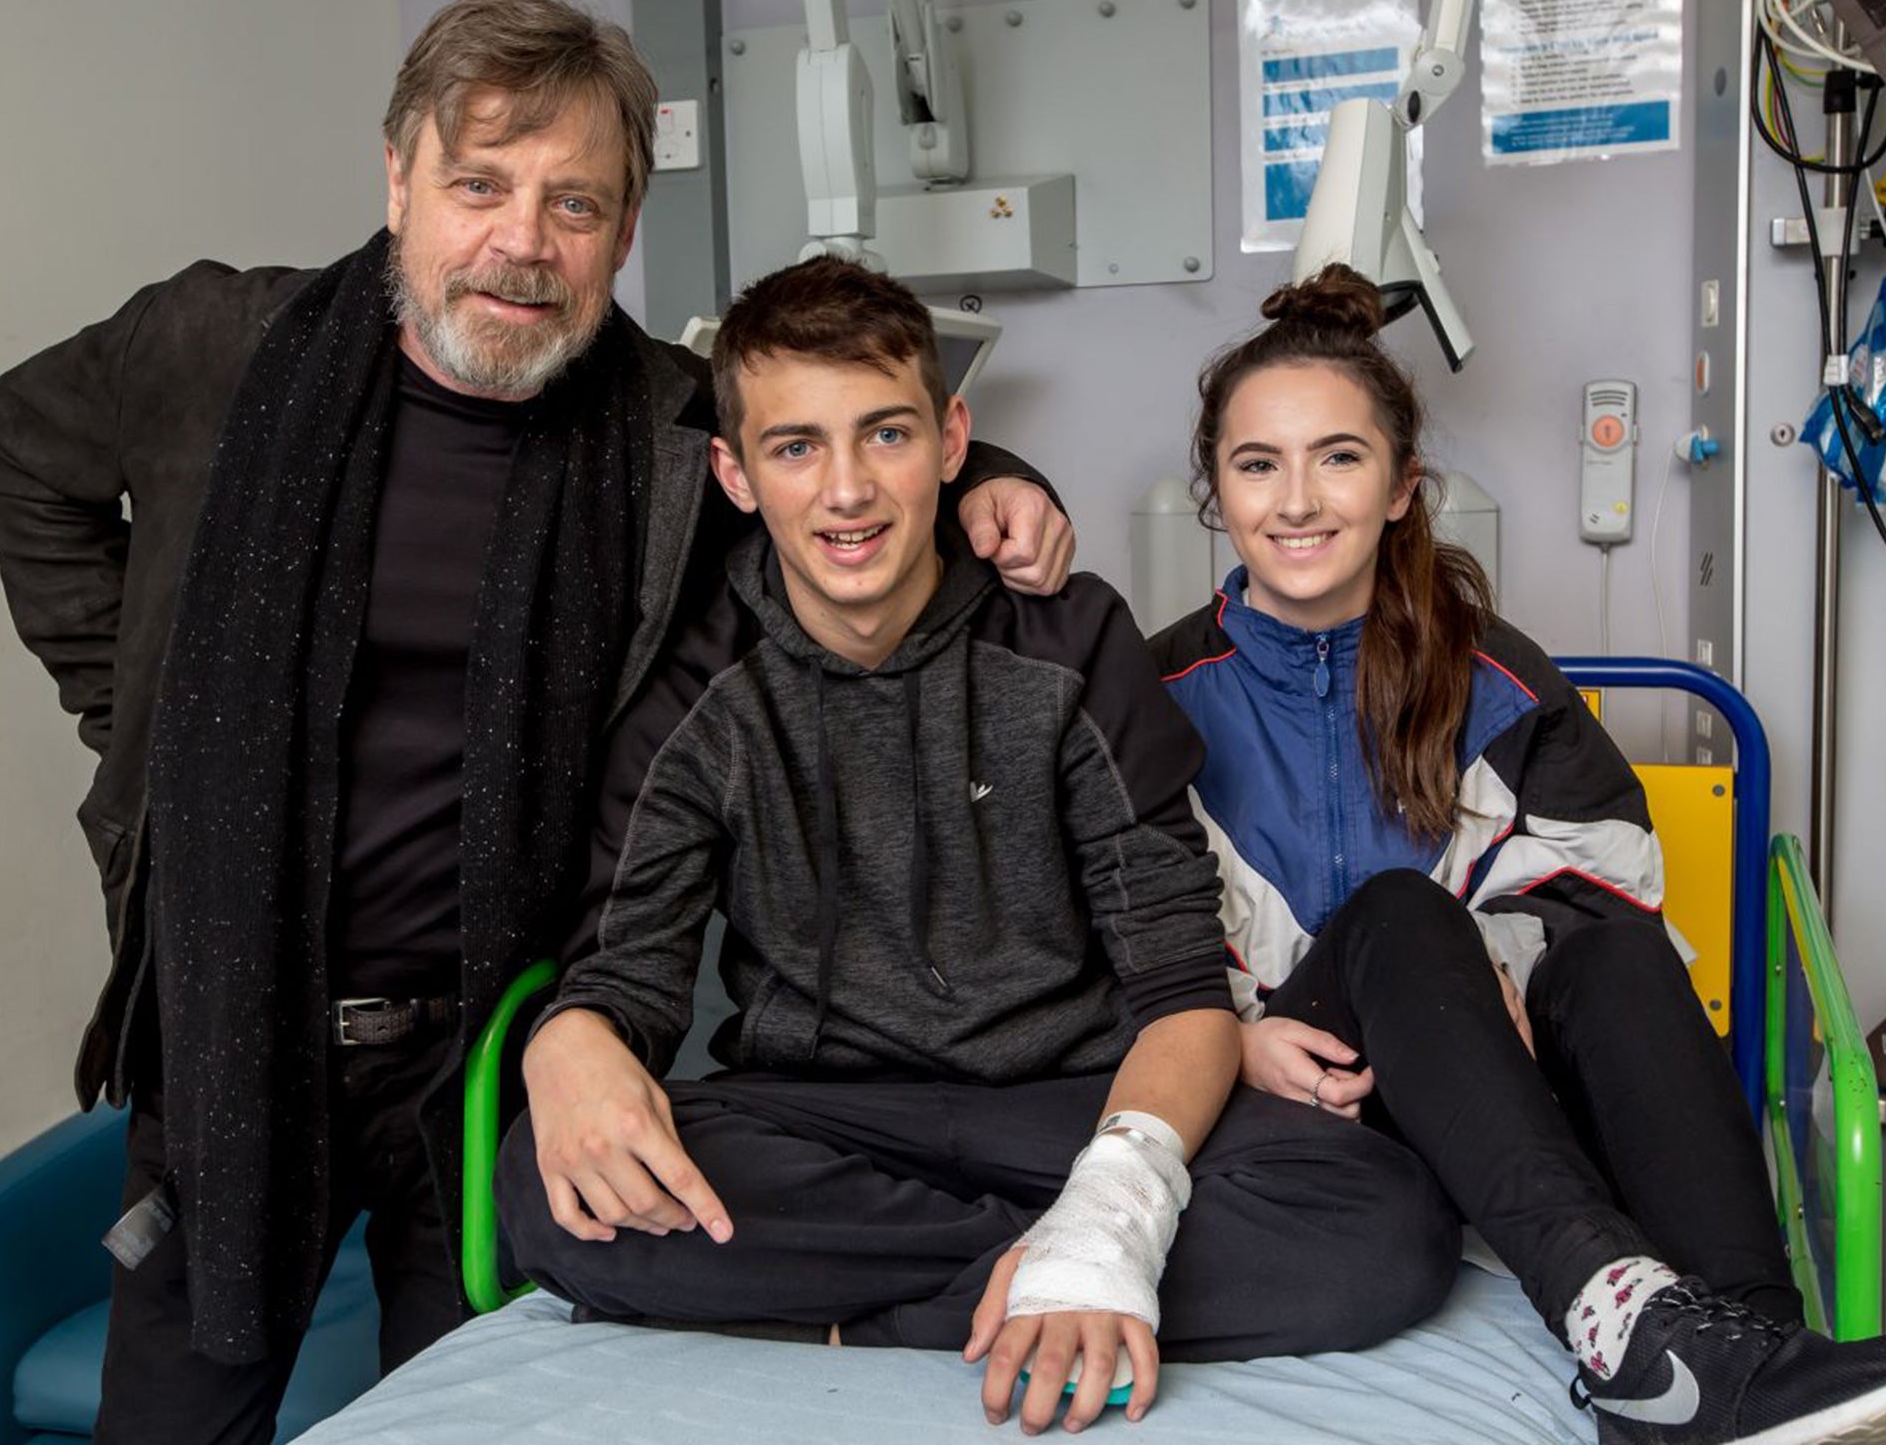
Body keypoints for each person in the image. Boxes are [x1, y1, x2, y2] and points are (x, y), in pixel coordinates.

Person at [0, 0, 1071, 1445]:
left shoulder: (671, 434)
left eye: (575, 204)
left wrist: (1008, 484)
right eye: (480, 184)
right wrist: (139, 713)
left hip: (490, 1052)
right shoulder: (224, 345)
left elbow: (838, 468)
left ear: (622, 237)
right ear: (399, 178)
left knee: (488, 1419)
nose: (521, 242)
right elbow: (10, 443)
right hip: (235, 1016)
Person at [496, 254, 1465, 1434]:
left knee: (1380, 1220)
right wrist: (572, 1039)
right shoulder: (695, 695)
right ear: (734, 473)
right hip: (821, 1114)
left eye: (886, 436)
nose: (847, 491)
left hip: (1071, 1096)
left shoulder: (1069, 640)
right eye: (795, 447)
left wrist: (1110, 1204)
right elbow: (625, 973)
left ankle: (934, 1302)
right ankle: (1030, 1286)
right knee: (547, 1196)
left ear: (953, 439)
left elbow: (1178, 989)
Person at [1149, 263, 1886, 1444]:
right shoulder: (1150, 698)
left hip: (1501, 1085)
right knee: (1392, 910)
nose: (1296, 501)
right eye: (1255, 463)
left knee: (1620, 963)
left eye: (1337, 457)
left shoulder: (1495, 674)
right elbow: (1095, 933)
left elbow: (1609, 878)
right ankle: (1623, 1319)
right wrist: (1227, 1035)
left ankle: (1750, 1354)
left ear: (1398, 488)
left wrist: (1490, 962)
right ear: (1213, 491)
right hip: (1294, 1096)